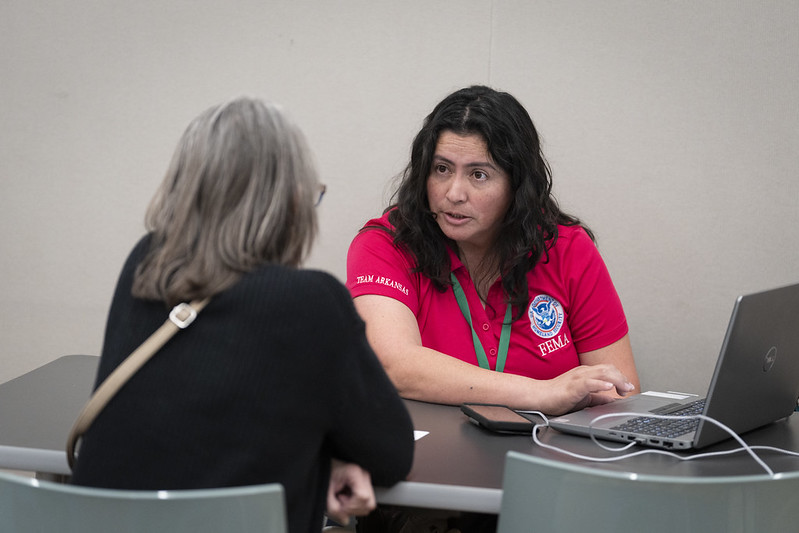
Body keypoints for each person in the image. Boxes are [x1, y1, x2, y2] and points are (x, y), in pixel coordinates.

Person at [70, 97, 415, 533]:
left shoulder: (145, 264)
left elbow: (187, 423)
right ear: (290, 202)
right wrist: (327, 460)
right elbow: (391, 452)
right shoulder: (312, 302)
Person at [346, 85, 640, 417]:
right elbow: (394, 364)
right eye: (441, 169)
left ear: (517, 185)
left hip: (547, 455)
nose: (454, 193)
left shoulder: (566, 247)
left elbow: (620, 393)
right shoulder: (387, 243)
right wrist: (544, 393)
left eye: (479, 174)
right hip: (430, 460)